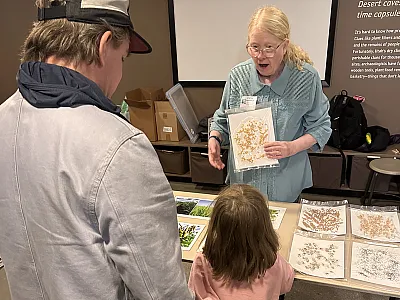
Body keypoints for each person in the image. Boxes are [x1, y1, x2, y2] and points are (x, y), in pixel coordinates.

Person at [0, 1, 193, 299]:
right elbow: (162, 292)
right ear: (104, 45)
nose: (120, 74)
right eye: (123, 58)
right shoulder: (119, 145)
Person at [208, 6, 332, 202]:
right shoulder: (237, 76)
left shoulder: (306, 78)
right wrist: (214, 138)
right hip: (244, 184)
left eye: (269, 47)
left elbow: (321, 127)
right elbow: (222, 118)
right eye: (254, 47)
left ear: (284, 45)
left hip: (285, 181)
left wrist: (292, 147)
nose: (260, 55)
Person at [188, 184, 295, 300]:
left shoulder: (202, 261)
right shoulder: (271, 261)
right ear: (264, 227)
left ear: (216, 225)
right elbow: (287, 282)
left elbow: (194, 293)